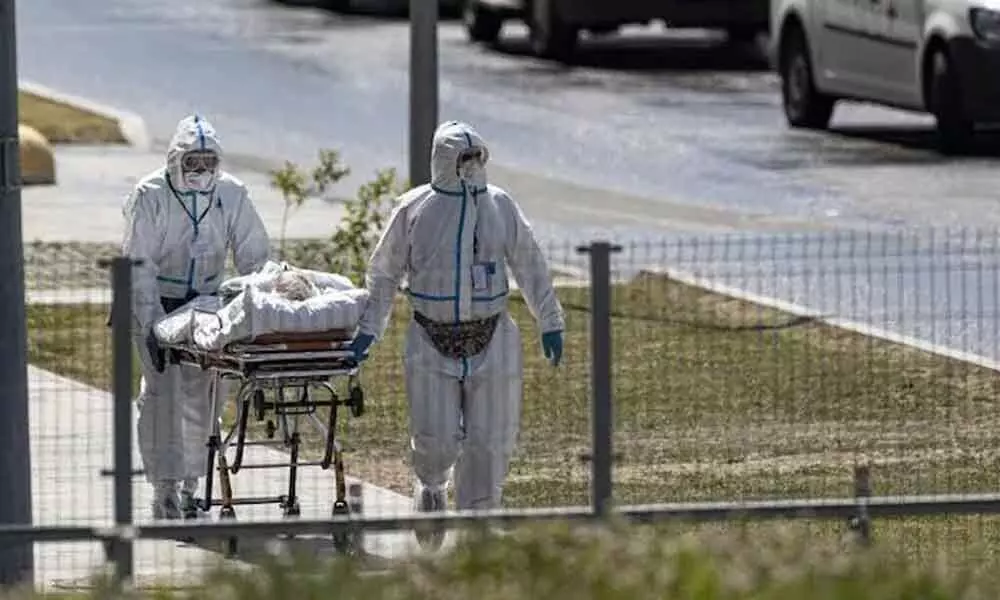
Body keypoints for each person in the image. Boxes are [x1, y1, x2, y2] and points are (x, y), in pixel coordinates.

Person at [349, 120, 565, 543]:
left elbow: (530, 263)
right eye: (461, 158)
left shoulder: (499, 206)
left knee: (490, 440)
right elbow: (384, 272)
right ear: (443, 160)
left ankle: (478, 528)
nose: (469, 166)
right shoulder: (414, 209)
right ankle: (430, 487)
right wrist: (368, 329)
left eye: (475, 157)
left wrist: (550, 321)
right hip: (431, 339)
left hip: (493, 338)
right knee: (436, 439)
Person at [121, 114, 271, 520]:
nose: (201, 171)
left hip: (206, 309)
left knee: (206, 399)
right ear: (176, 161)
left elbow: (255, 255)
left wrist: (253, 304)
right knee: (163, 397)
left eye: (208, 162)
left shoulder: (232, 194)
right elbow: (138, 266)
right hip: (158, 305)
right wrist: (152, 324)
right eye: (192, 163)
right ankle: (164, 487)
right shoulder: (150, 195)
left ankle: (193, 484)